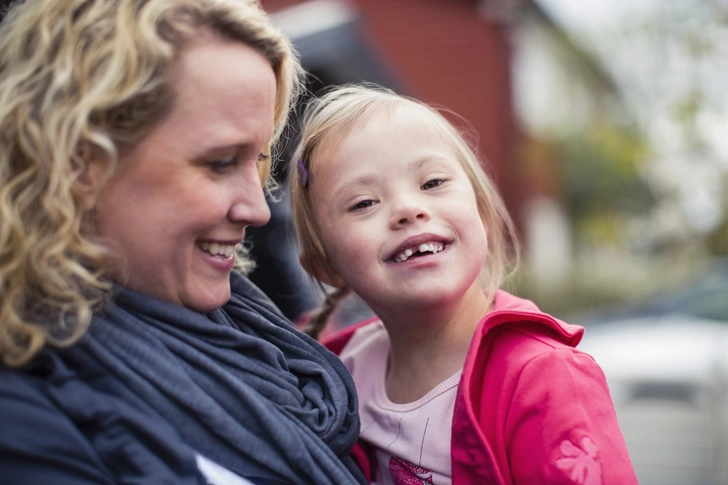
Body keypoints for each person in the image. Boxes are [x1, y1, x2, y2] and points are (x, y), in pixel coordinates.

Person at [0, 1, 367, 484]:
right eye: (219, 162)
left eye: (256, 160)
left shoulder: (258, 340)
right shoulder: (27, 410)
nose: (257, 210)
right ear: (79, 160)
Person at [289, 84, 639, 484]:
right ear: (325, 266)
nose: (407, 209)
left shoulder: (543, 378)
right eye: (364, 203)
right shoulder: (338, 378)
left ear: (482, 216)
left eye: (433, 183)